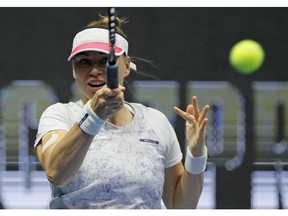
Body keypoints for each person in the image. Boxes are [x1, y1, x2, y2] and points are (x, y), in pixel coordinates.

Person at [34, 15, 210, 209]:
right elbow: (56, 174)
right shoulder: (60, 116)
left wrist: (196, 156)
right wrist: (94, 116)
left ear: (126, 66)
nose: (94, 70)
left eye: (104, 61)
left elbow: (181, 206)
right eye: (83, 62)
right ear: (74, 70)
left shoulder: (155, 121)